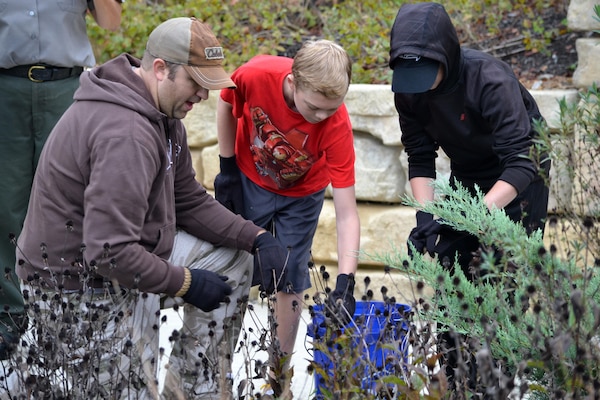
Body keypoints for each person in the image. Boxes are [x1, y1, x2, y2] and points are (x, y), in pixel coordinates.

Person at [14, 17, 288, 399]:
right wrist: (186, 284)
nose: (203, 97)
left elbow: (188, 199)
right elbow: (108, 252)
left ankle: (195, 389)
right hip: (77, 291)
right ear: (161, 69)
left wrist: (256, 238)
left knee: (231, 260)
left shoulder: (162, 114)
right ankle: (39, 366)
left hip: (128, 259)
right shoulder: (125, 134)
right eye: (196, 83)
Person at [389, 1, 550, 389]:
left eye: (426, 72)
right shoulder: (408, 91)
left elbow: (522, 159)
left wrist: (474, 216)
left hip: (520, 177)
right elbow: (421, 156)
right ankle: (458, 385)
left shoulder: (490, 79)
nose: (418, 83)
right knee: (452, 282)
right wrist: (425, 216)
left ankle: (496, 386)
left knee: (501, 286)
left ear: (448, 54)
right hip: (469, 175)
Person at [215, 39, 360, 394]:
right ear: (293, 84)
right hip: (250, 177)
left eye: (332, 109)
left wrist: (346, 281)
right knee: (233, 267)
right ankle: (216, 366)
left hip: (303, 193)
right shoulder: (256, 74)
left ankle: (278, 376)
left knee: (290, 276)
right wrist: (226, 166)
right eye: (314, 108)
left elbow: (346, 213)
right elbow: (225, 104)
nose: (322, 117)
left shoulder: (335, 124)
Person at [0, 0, 123, 360]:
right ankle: (10, 316)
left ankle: (66, 312)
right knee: (5, 205)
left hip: (66, 91)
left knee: (72, 202)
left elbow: (112, 22)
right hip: (6, 90)